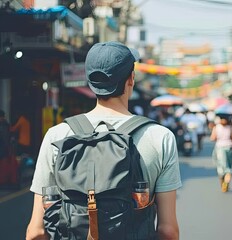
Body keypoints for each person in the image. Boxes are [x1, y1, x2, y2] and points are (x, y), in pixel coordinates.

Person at [26, 41, 182, 240]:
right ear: (131, 79)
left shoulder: (57, 136)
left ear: (90, 83)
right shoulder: (160, 137)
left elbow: (36, 232)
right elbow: (168, 231)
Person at [210, 115, 232, 192]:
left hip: (219, 148)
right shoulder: (231, 127)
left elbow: (212, 138)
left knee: (220, 168)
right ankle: (226, 183)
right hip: (229, 148)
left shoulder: (217, 127)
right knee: (228, 168)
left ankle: (224, 184)